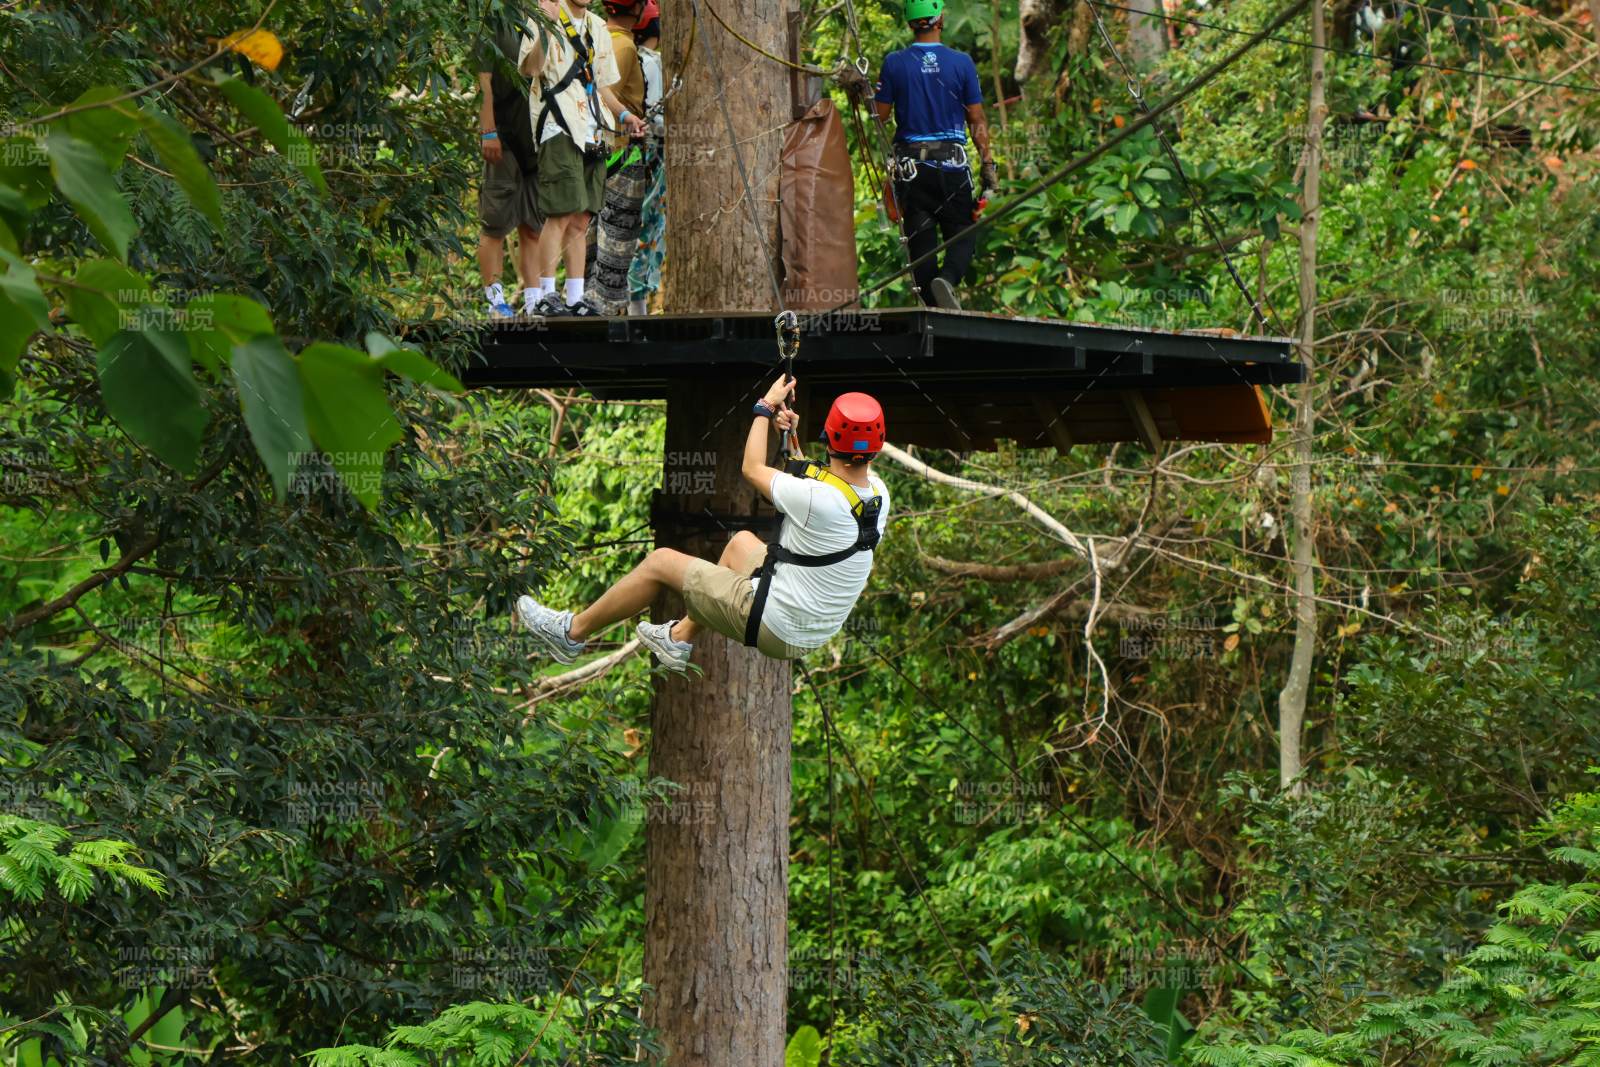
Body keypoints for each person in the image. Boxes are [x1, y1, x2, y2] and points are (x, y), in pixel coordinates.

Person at [515, 376, 891, 669]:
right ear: (877, 445)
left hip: (776, 624)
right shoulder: (877, 492)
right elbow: (820, 485)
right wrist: (790, 437)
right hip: (813, 626)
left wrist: (764, 409)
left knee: (660, 561)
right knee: (741, 543)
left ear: (828, 437)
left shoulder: (815, 500)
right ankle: (678, 638)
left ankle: (571, 633)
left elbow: (752, 469)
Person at [519, 0, 647, 317]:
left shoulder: (597, 27)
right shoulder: (543, 15)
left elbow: (602, 86)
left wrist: (625, 116)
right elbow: (531, 69)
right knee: (561, 211)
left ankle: (575, 296)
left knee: (581, 218)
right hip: (557, 124)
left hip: (591, 128)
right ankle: (546, 295)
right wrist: (547, 27)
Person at [873, 0, 997, 311]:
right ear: (940, 18)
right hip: (951, 167)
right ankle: (949, 279)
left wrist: (865, 92)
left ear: (910, 23)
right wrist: (988, 163)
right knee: (963, 232)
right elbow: (977, 119)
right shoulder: (962, 63)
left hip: (913, 170)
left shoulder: (895, 63)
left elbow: (880, 116)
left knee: (922, 246)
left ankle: (934, 311)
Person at [584, 0, 652, 315]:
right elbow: (602, 92)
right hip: (622, 150)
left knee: (593, 232)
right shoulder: (623, 45)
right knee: (618, 235)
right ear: (636, 9)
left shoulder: (599, 37)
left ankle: (588, 301)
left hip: (602, 150)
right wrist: (628, 118)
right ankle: (608, 308)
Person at [475, 4, 543, 319]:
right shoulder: (496, 19)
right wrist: (488, 131)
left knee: (533, 226)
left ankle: (534, 300)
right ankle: (496, 301)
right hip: (503, 135)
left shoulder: (545, 18)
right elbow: (483, 81)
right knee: (495, 224)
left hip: (538, 139)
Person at [628, 2, 666, 316]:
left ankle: (636, 305)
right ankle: (639, 307)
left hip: (626, 153)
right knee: (650, 225)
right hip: (652, 152)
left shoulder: (626, 57)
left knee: (634, 225)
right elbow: (656, 113)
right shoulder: (652, 62)